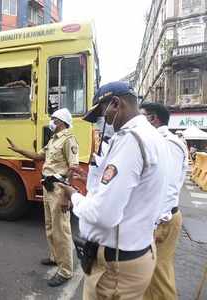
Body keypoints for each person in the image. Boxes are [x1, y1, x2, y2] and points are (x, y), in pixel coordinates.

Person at [59, 81, 169, 300]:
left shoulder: (131, 140)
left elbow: (103, 215)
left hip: (117, 268)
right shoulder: (153, 136)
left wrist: (74, 195)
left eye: (103, 114)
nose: (102, 123)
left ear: (116, 104)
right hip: (135, 253)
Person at [7, 108, 79, 287]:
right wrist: (18, 150)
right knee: (49, 226)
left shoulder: (69, 139)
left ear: (61, 122)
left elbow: (73, 168)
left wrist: (66, 196)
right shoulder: (53, 140)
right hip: (48, 187)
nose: (50, 122)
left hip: (59, 189)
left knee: (61, 230)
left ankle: (65, 271)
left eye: (53, 119)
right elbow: (39, 156)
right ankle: (55, 257)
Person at [140, 102, 188, 300]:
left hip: (162, 219)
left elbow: (167, 186)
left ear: (153, 118)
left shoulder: (166, 142)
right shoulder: (157, 140)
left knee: (159, 273)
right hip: (158, 216)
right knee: (149, 273)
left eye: (141, 116)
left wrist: (156, 222)